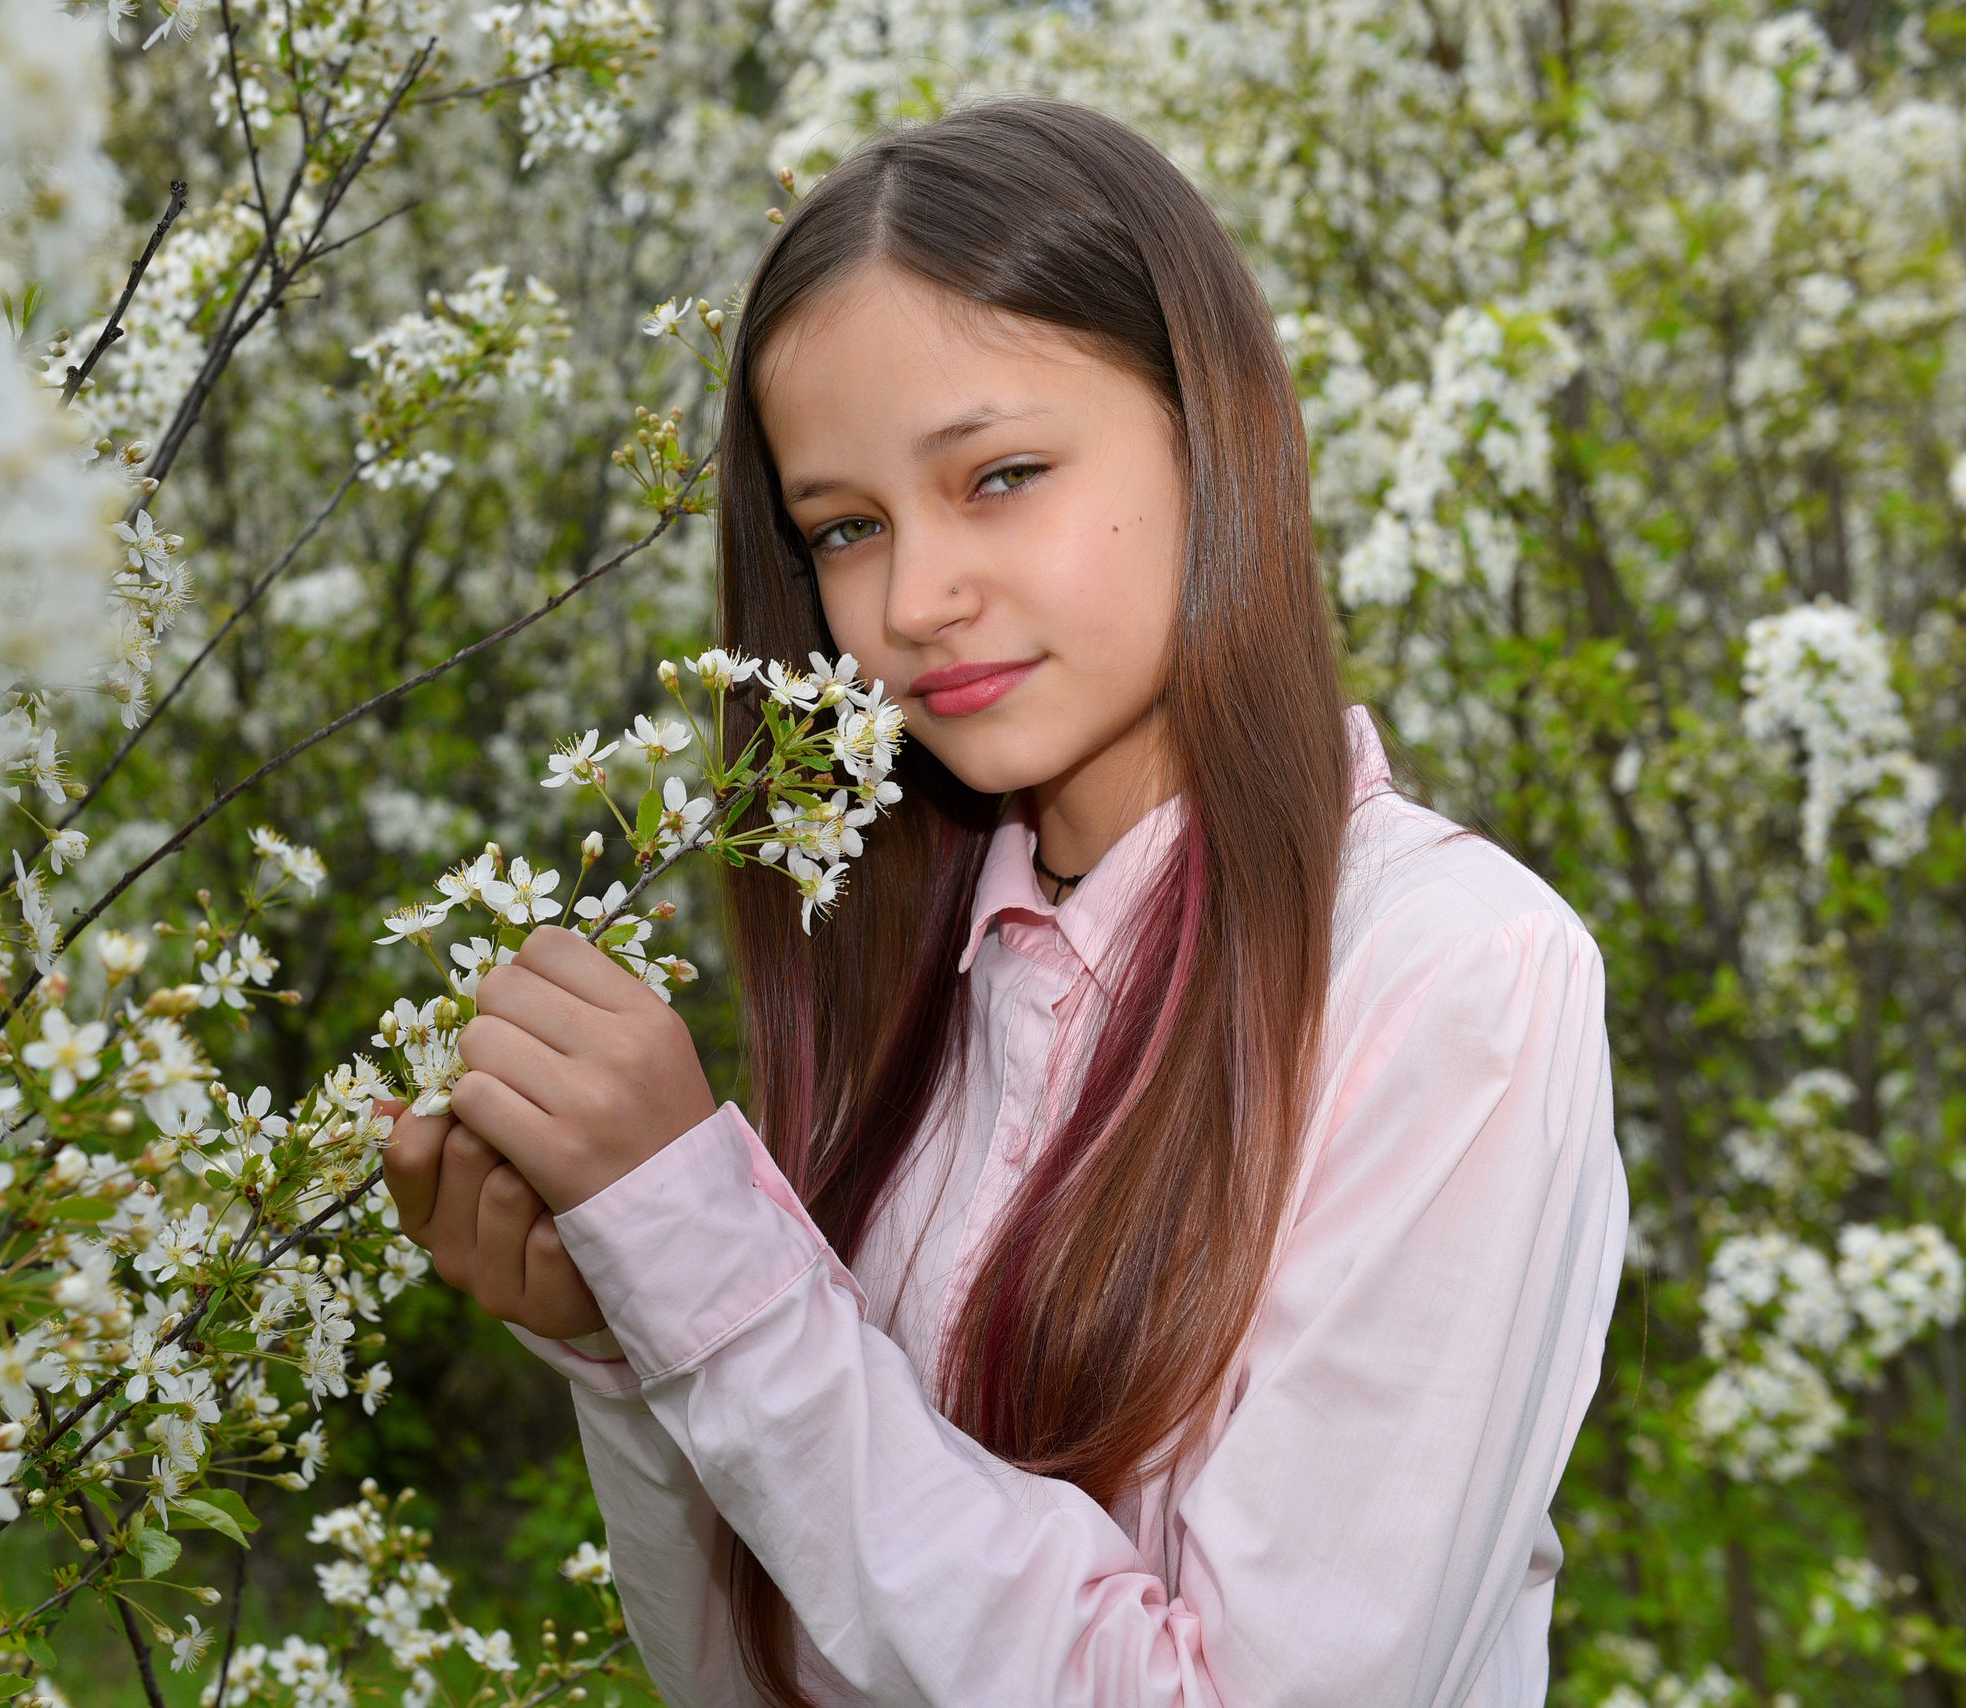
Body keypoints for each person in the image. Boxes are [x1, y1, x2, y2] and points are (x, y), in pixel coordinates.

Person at [380, 97, 1627, 1708]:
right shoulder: (910, 987)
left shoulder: (1454, 977)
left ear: (1218, 434)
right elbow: (754, 1680)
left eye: (1001, 474)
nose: (912, 599)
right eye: (845, 528)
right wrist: (636, 1348)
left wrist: (713, 1275)